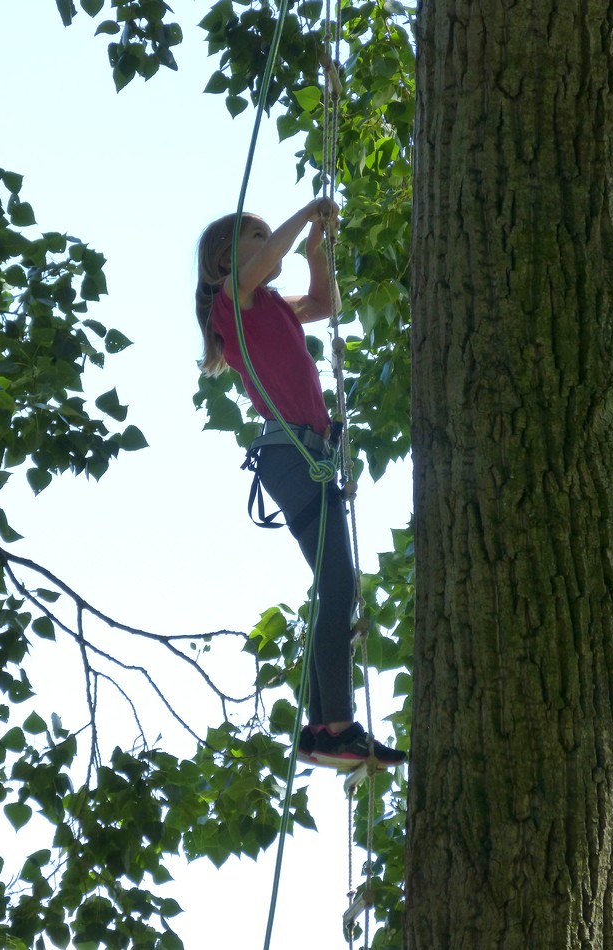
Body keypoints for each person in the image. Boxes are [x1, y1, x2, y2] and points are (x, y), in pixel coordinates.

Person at [195, 199, 406, 770]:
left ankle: (320, 728)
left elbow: (324, 303)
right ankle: (335, 726)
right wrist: (304, 214)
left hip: (307, 459)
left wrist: (316, 253)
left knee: (337, 587)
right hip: (292, 458)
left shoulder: (269, 307)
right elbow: (262, 264)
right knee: (338, 587)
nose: (269, 243)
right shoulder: (230, 305)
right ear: (225, 259)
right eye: (256, 236)